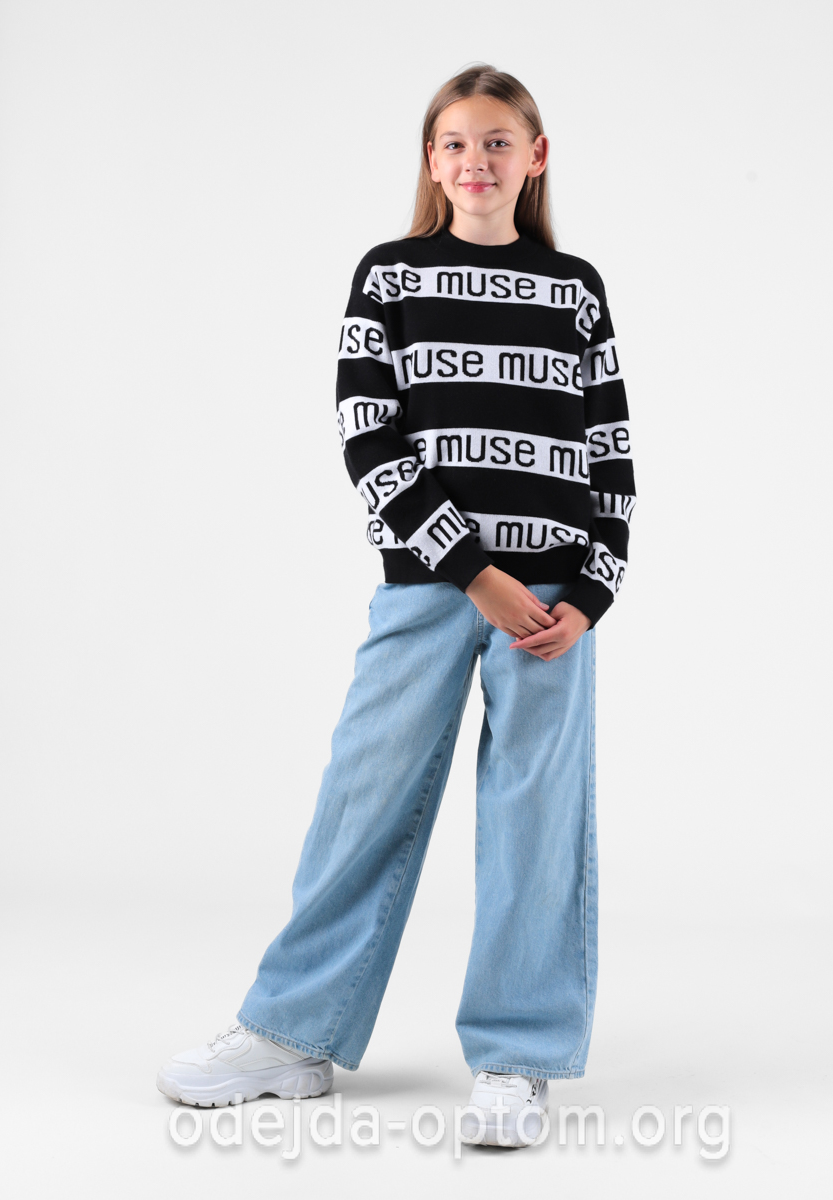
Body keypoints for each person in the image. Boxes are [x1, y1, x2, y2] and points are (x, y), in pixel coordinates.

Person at [157, 63, 636, 1149]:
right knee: (363, 794)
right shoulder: (390, 275)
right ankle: (292, 1033)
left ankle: (517, 1059)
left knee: (536, 819)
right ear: (431, 159)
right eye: (456, 143)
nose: (477, 160)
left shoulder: (576, 288)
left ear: (536, 157)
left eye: (499, 141)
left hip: (553, 606)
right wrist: (475, 572)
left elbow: (610, 450)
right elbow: (369, 438)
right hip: (432, 583)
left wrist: (592, 592)